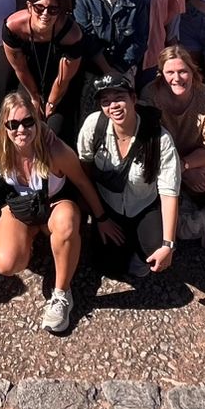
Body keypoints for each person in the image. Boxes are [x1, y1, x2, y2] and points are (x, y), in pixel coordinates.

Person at [0, 92, 106, 335]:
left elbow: (83, 183)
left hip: (54, 206)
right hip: (22, 208)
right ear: (4, 126)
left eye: (28, 122)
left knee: (67, 221)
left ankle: (62, 293)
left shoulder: (56, 151)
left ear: (38, 121)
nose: (21, 129)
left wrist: (102, 218)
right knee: (7, 264)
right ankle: (30, 239)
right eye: (13, 124)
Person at [77, 73, 180, 280]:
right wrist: (100, 217)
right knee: (107, 266)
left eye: (119, 98)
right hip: (107, 204)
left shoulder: (159, 138)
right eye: (105, 101)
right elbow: (83, 170)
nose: (113, 106)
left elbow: (169, 192)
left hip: (143, 205)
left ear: (133, 98)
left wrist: (169, 244)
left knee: (149, 257)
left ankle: (144, 243)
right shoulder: (93, 126)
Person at [140, 46, 205, 201]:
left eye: (183, 71)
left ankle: (192, 201)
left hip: (194, 156)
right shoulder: (150, 95)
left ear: (193, 71)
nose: (177, 78)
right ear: (161, 75)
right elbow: (147, 142)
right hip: (161, 155)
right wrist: (183, 171)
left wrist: (184, 165)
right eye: (170, 73)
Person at [2, 0, 86, 133]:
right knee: (24, 121)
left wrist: (51, 103)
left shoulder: (71, 34)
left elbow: (64, 78)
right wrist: (34, 97)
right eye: (39, 8)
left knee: (54, 130)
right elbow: (19, 68)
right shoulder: (13, 26)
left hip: (60, 83)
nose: (45, 14)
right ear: (29, 6)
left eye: (53, 9)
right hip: (28, 77)